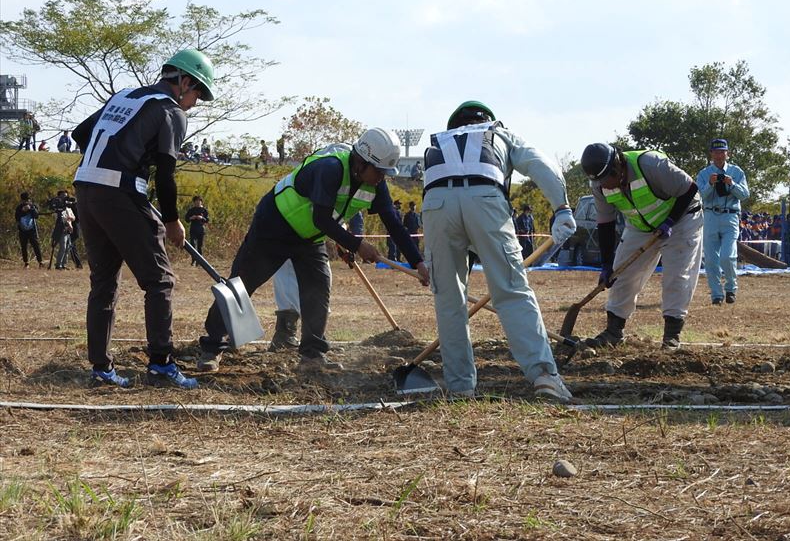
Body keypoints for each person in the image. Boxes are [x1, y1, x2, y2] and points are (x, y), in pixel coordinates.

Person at [195, 128, 430, 373]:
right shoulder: (330, 169)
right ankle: (212, 347)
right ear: (361, 162)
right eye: (379, 171)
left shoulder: (375, 185)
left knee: (318, 287)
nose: (382, 178)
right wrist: (358, 245)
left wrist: (418, 262)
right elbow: (322, 219)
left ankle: (312, 356)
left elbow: (392, 223)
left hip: (308, 237)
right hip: (273, 227)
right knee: (242, 283)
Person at [71, 48, 215, 389]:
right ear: (184, 81)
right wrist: (172, 220)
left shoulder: (124, 96)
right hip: (119, 193)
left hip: (86, 190)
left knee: (104, 282)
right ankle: (162, 365)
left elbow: (80, 134)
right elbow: (166, 176)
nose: (194, 103)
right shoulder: (170, 111)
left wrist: (118, 163)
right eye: (197, 94)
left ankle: (101, 370)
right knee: (159, 280)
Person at [421, 100, 577, 401]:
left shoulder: (439, 141)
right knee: (512, 291)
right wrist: (561, 207)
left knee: (448, 298)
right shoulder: (499, 133)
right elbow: (541, 164)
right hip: (486, 199)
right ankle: (544, 375)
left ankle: (459, 386)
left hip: (436, 204)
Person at [580, 142, 703, 352]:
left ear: (617, 166)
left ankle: (671, 337)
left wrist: (670, 221)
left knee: (676, 275)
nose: (605, 186)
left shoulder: (651, 164)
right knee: (622, 275)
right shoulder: (598, 185)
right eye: (600, 182)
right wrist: (607, 264)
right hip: (640, 225)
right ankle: (613, 332)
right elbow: (605, 224)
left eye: (607, 179)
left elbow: (690, 188)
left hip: (682, 219)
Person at [696, 138, 749, 305]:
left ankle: (731, 288)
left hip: (730, 216)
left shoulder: (736, 172)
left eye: (722, 151)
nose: (719, 155)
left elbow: (745, 195)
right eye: (716, 151)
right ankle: (716, 295)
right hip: (711, 215)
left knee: (727, 256)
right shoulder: (704, 174)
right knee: (711, 259)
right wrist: (710, 184)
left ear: (727, 153)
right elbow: (699, 197)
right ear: (711, 153)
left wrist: (732, 184)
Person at [15, 192, 44, 268]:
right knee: (24, 246)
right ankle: (26, 263)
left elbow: (36, 215)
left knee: (36, 245)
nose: (25, 202)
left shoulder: (33, 206)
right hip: (22, 230)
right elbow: (17, 218)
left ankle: (40, 262)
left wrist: (31, 209)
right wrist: (22, 211)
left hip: (32, 230)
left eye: (27, 200)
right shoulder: (19, 207)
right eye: (24, 200)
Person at [51, 190, 76, 270]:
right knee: (63, 247)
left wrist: (70, 220)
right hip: (61, 229)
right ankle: (58, 265)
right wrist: (68, 222)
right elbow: (61, 219)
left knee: (68, 247)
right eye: (63, 196)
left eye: (66, 196)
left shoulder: (68, 208)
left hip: (68, 230)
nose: (65, 198)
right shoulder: (58, 208)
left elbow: (73, 217)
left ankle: (64, 264)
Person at [184, 196, 209, 266]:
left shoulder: (204, 210)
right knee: (192, 245)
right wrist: (191, 218)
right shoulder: (191, 210)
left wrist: (202, 218)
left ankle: (200, 262)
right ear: (194, 202)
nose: (197, 202)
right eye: (196, 201)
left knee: (200, 246)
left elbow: (207, 220)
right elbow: (186, 219)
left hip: (201, 229)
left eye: (199, 201)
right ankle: (193, 260)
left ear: (201, 201)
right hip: (193, 229)